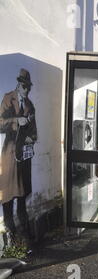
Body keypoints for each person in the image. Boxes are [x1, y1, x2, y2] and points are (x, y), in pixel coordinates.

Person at [0, 69, 37, 245]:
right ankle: (11, 234)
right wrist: (16, 120)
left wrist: (32, 138)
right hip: (9, 155)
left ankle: (26, 237)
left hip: (23, 157)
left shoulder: (30, 105)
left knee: (22, 197)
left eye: (28, 87)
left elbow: (34, 132)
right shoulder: (8, 98)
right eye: (24, 86)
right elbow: (0, 123)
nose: (26, 90)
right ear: (18, 84)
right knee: (7, 196)